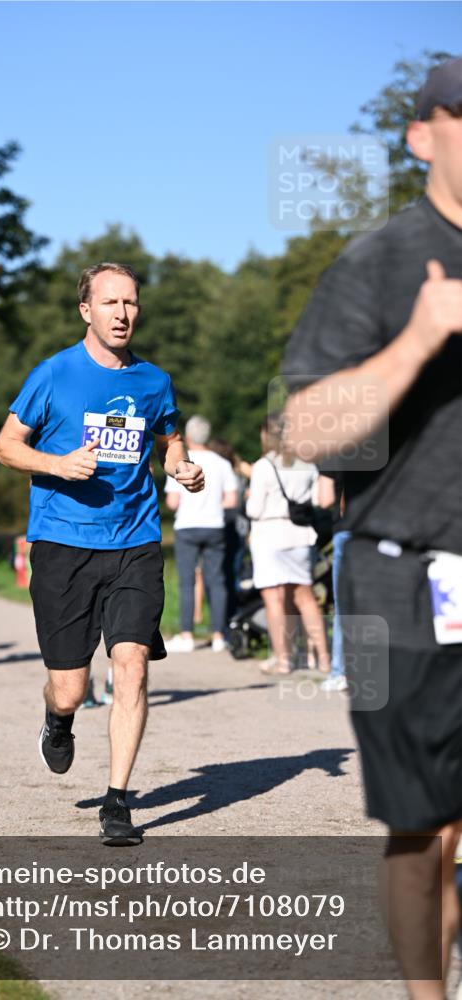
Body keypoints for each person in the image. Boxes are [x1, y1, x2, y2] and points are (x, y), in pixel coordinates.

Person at [283, 58, 462, 999]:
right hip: (405, 576)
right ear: (421, 133)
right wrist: (421, 335)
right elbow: (302, 427)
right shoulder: (382, 262)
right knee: (424, 824)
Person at [0, 261, 204, 845]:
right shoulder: (54, 374)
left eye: (131, 303)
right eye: (110, 303)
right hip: (64, 544)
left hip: (135, 543)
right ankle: (58, 720)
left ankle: (118, 801)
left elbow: (169, 435)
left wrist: (180, 465)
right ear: (86, 310)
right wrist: (57, 464)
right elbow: (6, 445)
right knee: (71, 687)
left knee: (131, 667)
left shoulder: (154, 381)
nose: (122, 313)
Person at [245, 414, 330, 675]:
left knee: (274, 598)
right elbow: (318, 499)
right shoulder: (307, 463)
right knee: (305, 597)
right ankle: (324, 658)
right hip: (301, 535)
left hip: (269, 534)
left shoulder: (263, 466)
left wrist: (249, 497)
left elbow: (254, 509)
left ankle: (284, 659)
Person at [164, 416, 238, 653]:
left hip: (187, 526)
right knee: (217, 581)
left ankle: (186, 635)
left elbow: (173, 502)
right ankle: (219, 635)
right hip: (215, 525)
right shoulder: (222, 463)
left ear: (187, 435)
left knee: (187, 581)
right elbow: (232, 499)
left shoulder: (182, 463)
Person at [208, 437, 253, 624]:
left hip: (224, 528)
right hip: (239, 530)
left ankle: (223, 622)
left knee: (219, 576)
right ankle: (232, 619)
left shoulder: (220, 474)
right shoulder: (238, 475)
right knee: (232, 574)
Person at [317, 472, 351, 692]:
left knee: (344, 604)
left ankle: (340, 671)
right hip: (383, 529)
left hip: (347, 529)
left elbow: (325, 498)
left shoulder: (337, 451)